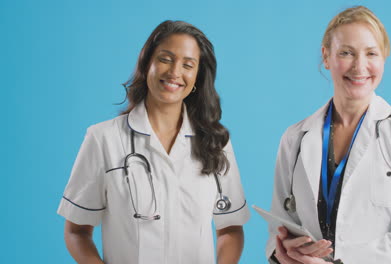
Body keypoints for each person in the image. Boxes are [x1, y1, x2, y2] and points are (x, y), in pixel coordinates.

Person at [57, 20, 250, 264]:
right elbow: (77, 231)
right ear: (146, 63)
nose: (174, 72)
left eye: (188, 65)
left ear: (197, 78)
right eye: (165, 59)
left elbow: (230, 228)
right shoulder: (103, 138)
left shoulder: (216, 141)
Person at [266, 6, 391, 264]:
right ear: (326, 57)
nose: (359, 66)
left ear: (384, 58)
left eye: (371, 53)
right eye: (346, 53)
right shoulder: (295, 138)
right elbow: (280, 223)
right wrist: (284, 250)